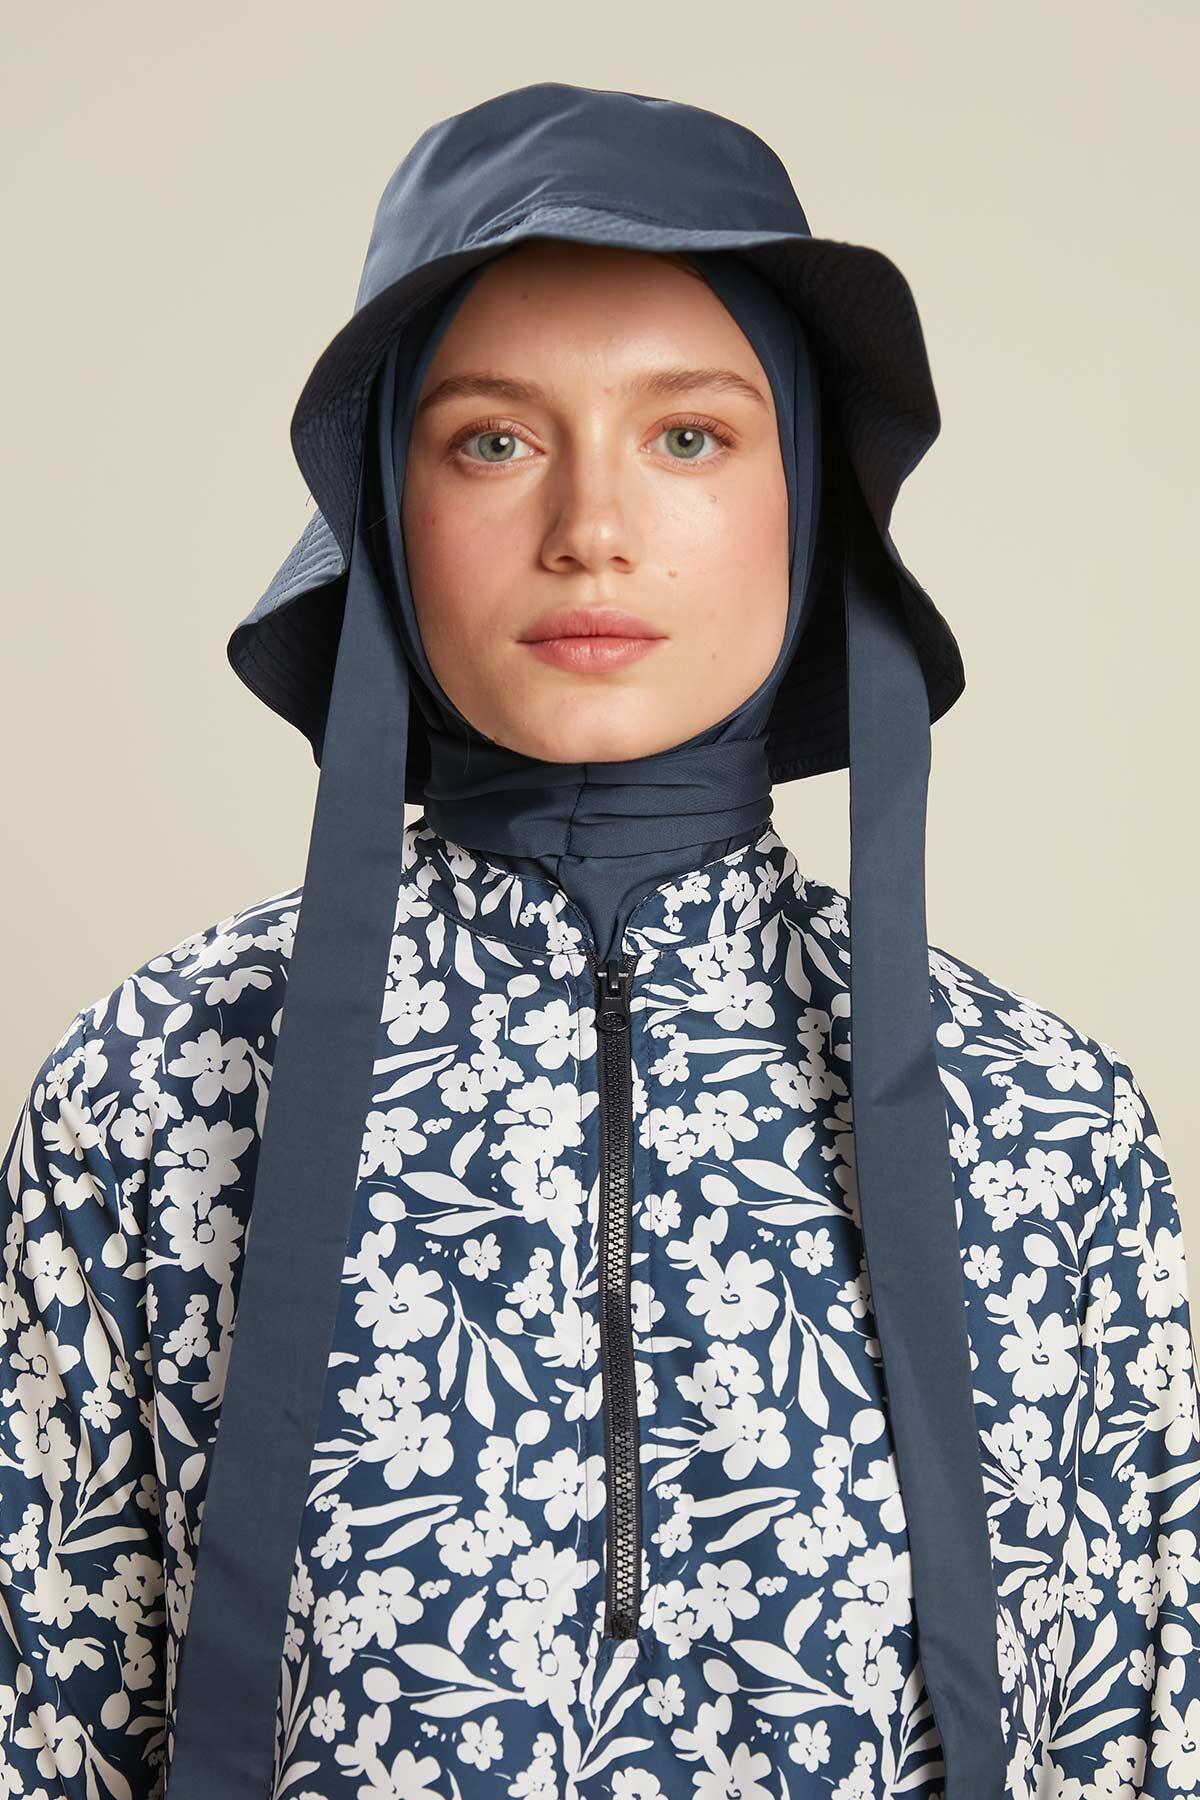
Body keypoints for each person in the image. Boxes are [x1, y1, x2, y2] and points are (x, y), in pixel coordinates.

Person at [1, 82, 1197, 1800]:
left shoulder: (1048, 1129)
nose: (592, 530)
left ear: (808, 497)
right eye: (492, 441)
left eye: (690, 437)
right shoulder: (155, 1093)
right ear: (382, 505)